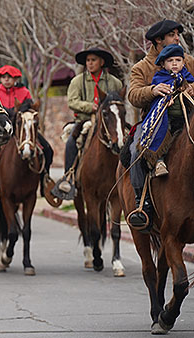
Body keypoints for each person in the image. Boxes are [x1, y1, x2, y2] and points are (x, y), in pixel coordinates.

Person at [127, 44, 194, 231]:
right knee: (136, 152)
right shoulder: (142, 67)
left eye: (177, 60)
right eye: (171, 35)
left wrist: (191, 89)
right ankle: (143, 204)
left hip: (187, 118)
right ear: (158, 41)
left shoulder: (188, 64)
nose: (175, 63)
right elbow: (132, 95)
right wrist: (153, 91)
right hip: (158, 119)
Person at [52, 48, 123, 199]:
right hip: (84, 120)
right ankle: (69, 178)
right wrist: (89, 106)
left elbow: (119, 102)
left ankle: (128, 175)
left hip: (108, 120)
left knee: (125, 138)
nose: (90, 63)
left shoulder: (114, 82)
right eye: (88, 61)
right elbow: (72, 101)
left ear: (102, 62)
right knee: (71, 141)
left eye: (93, 60)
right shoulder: (78, 81)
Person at [0, 65, 54, 191]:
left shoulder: (24, 92)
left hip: (23, 127)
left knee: (48, 149)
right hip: (1, 130)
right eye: (4, 77)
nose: (6, 80)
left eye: (9, 77)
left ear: (15, 78)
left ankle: (45, 180)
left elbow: (31, 108)